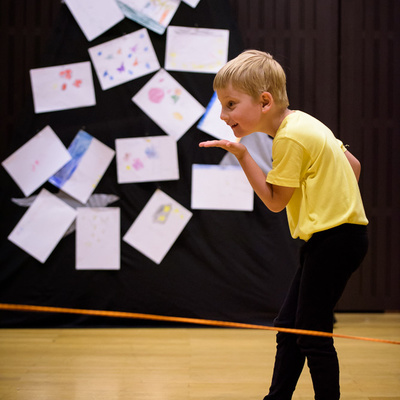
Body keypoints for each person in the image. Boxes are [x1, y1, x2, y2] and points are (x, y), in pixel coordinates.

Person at [199, 50, 369, 400]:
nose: (222, 114)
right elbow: (353, 166)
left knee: (311, 331)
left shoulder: (289, 138)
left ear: (264, 101)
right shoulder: (304, 122)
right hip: (335, 239)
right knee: (289, 327)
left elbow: (276, 202)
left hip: (335, 240)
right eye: (222, 105)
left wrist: (244, 156)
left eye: (231, 104)